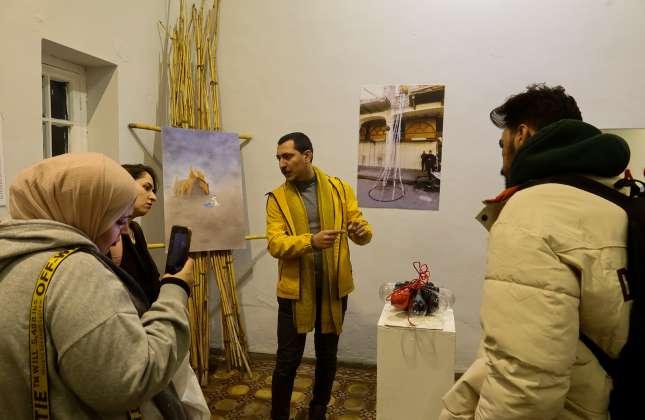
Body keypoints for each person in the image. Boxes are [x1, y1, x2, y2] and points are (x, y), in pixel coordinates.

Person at [439, 84, 631, 419]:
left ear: (522, 135)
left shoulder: (531, 214)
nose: (502, 164)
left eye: (502, 145)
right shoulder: (617, 199)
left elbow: (523, 390)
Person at [0, 152, 195, 419]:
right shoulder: (75, 272)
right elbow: (130, 380)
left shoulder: (14, 257)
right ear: (83, 209)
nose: (118, 235)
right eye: (118, 221)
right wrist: (176, 290)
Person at [266, 132, 373, 420]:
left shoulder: (339, 189)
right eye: (278, 158)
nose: (282, 164)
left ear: (308, 156)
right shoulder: (277, 198)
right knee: (286, 361)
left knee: (327, 356)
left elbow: (360, 228)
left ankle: (318, 409)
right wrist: (310, 242)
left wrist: (361, 231)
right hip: (294, 292)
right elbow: (275, 244)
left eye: (287, 156)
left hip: (333, 289)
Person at [110, 163, 161, 303]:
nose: (153, 197)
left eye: (153, 191)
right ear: (125, 185)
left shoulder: (136, 229)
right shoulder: (108, 235)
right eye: (146, 188)